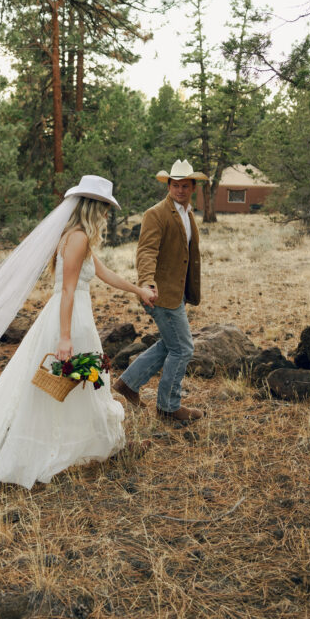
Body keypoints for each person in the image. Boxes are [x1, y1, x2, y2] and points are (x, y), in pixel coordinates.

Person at [0, 175, 157, 488]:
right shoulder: (77, 237)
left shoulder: (78, 236)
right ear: (93, 207)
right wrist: (65, 338)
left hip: (73, 314)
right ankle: (66, 452)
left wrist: (138, 290)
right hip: (71, 316)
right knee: (77, 380)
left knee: (81, 383)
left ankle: (97, 448)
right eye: (104, 207)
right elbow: (66, 290)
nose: (107, 214)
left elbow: (104, 273)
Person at [113, 159, 207, 424]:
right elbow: (146, 251)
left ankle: (128, 383)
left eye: (185, 186)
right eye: (175, 185)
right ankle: (168, 407)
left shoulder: (187, 213)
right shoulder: (156, 213)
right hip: (158, 293)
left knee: (170, 343)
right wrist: (147, 282)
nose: (179, 190)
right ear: (168, 185)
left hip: (176, 292)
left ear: (193, 187)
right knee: (183, 349)